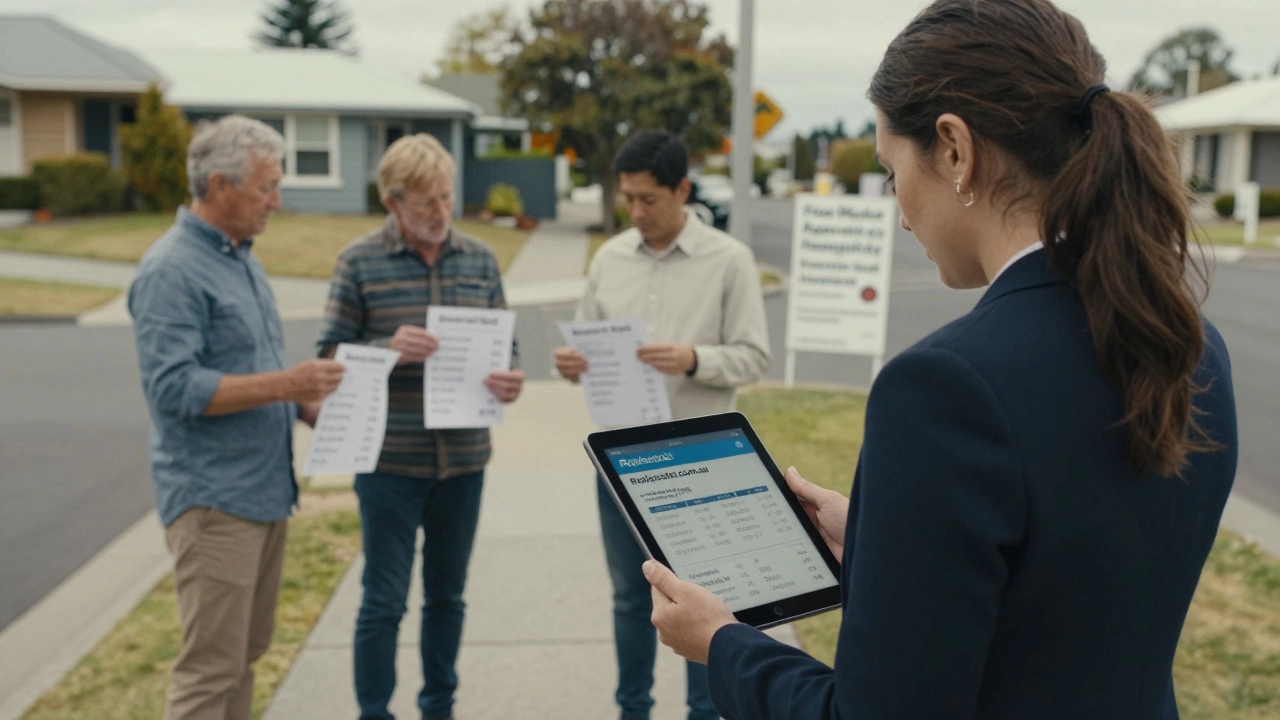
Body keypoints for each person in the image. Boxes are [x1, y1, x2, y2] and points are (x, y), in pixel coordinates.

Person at [641, 1, 1240, 718]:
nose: (900, 212)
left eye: (895, 173)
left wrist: (723, 641)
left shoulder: (945, 387)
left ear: (955, 150)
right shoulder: (1193, 346)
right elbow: (1066, 585)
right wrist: (881, 538)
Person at [128, 115, 345, 720]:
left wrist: (304, 406)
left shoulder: (240, 258)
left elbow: (251, 368)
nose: (277, 201)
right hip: (214, 502)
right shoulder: (172, 270)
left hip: (262, 490)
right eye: (266, 187)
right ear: (219, 185)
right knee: (210, 670)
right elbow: (174, 387)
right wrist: (288, 382)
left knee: (244, 655)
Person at [555, 130, 771, 720]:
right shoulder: (610, 259)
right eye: (628, 198)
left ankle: (706, 713)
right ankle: (633, 710)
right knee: (630, 600)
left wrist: (694, 358)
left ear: (682, 190)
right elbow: (588, 343)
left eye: (648, 198)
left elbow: (755, 355)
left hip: (700, 466)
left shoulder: (729, 259)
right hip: (620, 463)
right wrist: (573, 365)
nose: (636, 211)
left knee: (705, 605)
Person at [316, 133, 524, 720]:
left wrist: (511, 375)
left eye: (447, 197)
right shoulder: (358, 261)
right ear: (393, 202)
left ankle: (439, 708)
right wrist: (386, 348)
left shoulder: (481, 259)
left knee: (447, 598)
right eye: (426, 202)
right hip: (388, 463)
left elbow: (507, 345)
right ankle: (374, 712)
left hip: (463, 462)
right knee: (383, 603)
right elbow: (327, 358)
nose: (441, 212)